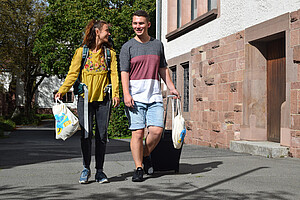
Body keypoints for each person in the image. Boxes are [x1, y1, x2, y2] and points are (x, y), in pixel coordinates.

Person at [55, 19, 120, 184]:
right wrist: (62, 90)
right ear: (97, 32)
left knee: (102, 135)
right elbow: (72, 73)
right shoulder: (81, 53)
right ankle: (86, 168)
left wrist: (116, 93)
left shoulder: (109, 54)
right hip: (84, 99)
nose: (109, 33)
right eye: (107, 30)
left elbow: (114, 75)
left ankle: (100, 171)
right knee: (86, 134)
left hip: (104, 100)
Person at [119, 10, 179, 182]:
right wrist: (126, 94)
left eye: (141, 23)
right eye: (135, 23)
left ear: (148, 25)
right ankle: (139, 168)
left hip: (154, 96)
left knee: (157, 131)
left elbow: (162, 69)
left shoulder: (157, 45)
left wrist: (172, 87)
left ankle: (144, 155)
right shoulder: (127, 47)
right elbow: (124, 72)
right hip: (135, 97)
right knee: (137, 134)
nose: (138, 26)